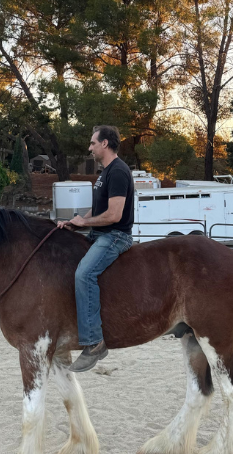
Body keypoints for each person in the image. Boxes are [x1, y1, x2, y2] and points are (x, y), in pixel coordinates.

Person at [61, 125, 137, 373]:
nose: (89, 148)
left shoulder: (118, 172)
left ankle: (94, 343)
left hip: (115, 236)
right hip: (99, 233)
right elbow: (98, 210)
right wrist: (76, 222)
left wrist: (85, 223)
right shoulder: (105, 173)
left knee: (84, 274)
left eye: (93, 143)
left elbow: (114, 215)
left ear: (105, 144)